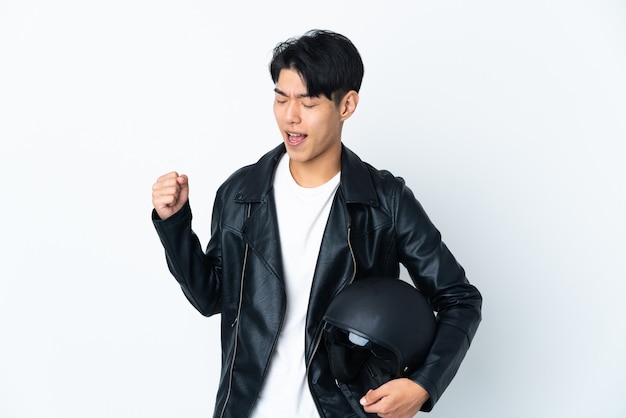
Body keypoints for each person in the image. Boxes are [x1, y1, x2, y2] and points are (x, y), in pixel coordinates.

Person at [151, 29, 482, 418]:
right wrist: (174, 224)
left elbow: (459, 298)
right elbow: (211, 298)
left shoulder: (385, 201)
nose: (290, 116)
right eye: (280, 98)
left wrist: (423, 384)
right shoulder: (241, 193)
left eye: (307, 103)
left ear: (347, 105)